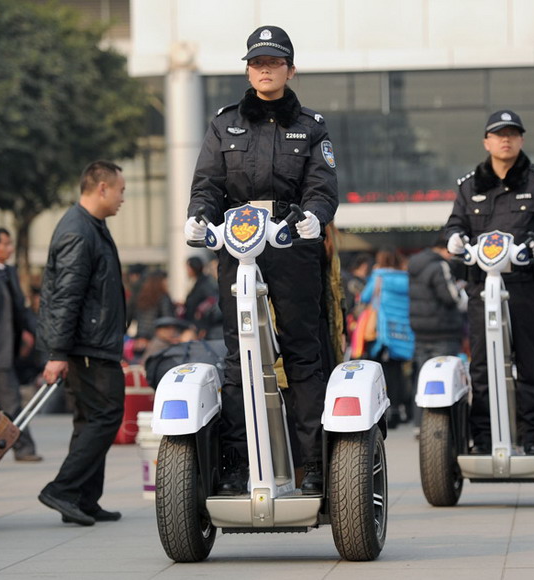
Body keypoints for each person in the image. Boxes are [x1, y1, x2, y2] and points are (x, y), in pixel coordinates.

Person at [184, 25, 338, 495]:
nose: (265, 70)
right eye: (257, 63)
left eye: (274, 62)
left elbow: (322, 186)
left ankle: (313, 464)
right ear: (248, 69)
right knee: (239, 356)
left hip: (292, 246)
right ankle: (233, 466)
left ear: (291, 70)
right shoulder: (224, 123)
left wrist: (313, 217)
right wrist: (197, 219)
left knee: (301, 353)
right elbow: (208, 184)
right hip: (238, 246)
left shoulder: (311, 126)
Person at [444, 109, 534, 455]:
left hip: (526, 286)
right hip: (482, 288)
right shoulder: (469, 185)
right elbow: (455, 223)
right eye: (499, 134)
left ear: (521, 140)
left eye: (512, 134)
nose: (506, 140)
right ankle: (483, 440)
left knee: (530, 363)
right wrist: (454, 237)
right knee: (483, 366)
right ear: (487, 142)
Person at [36, 160, 127, 526]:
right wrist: (58, 353)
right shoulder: (79, 230)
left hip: (91, 341)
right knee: (106, 415)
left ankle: (85, 499)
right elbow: (65, 296)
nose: (124, 198)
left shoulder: (91, 226)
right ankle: (62, 489)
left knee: (89, 419)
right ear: (102, 188)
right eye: (121, 190)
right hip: (87, 345)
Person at [0, 228, 41, 462]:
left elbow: (21, 309)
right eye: (5, 244)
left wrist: (37, 332)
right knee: (11, 401)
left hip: (10, 348)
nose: (9, 248)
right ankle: (24, 448)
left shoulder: (10, 272)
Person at [407, 232, 467, 424]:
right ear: (445, 249)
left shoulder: (414, 264)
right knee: (445, 376)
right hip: (443, 329)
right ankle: (443, 422)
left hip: (420, 329)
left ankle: (420, 423)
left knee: (422, 375)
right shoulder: (440, 265)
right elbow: (450, 297)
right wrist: (459, 289)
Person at [360, 247, 414, 427]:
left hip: (382, 333)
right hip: (402, 331)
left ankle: (386, 412)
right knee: (398, 372)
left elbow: (365, 297)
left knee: (381, 372)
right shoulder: (407, 279)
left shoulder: (379, 277)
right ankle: (399, 409)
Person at [180, 256, 221, 339]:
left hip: (203, 327)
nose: (187, 271)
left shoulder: (205, 283)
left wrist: (201, 322)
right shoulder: (198, 282)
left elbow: (210, 302)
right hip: (197, 325)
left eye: (188, 268)